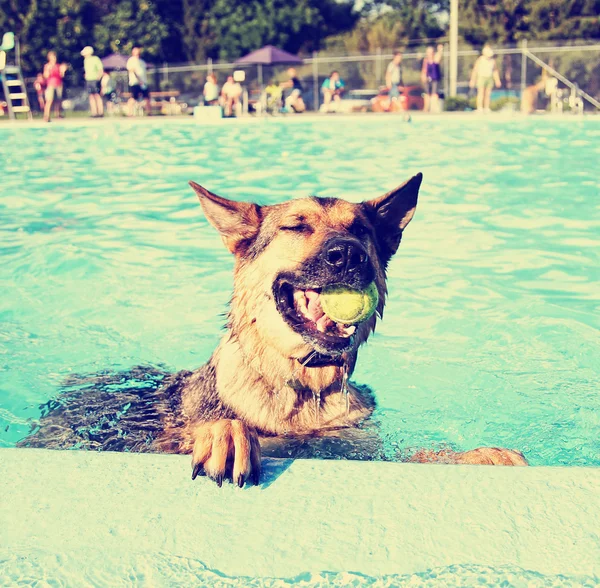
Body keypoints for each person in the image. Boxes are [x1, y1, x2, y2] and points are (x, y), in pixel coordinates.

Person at [469, 44, 501, 112]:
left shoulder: (492, 61)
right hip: (481, 77)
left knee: (488, 94)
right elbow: (475, 70)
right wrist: (472, 80)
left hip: (489, 78)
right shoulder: (480, 59)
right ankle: (479, 108)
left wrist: (497, 80)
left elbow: (495, 71)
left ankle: (486, 108)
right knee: (481, 93)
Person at [43, 51, 67, 122]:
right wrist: (48, 71)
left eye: (54, 57)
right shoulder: (47, 66)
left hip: (58, 84)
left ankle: (57, 114)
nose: (54, 58)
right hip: (51, 84)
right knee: (49, 100)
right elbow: (46, 76)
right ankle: (46, 115)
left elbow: (61, 75)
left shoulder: (58, 66)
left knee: (58, 100)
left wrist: (63, 71)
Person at [81, 46, 104, 118]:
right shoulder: (85, 60)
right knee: (91, 96)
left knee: (97, 95)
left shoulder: (95, 59)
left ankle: (100, 112)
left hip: (95, 79)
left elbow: (100, 69)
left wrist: (98, 78)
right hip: (88, 80)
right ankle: (94, 113)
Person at [126, 47, 150, 116]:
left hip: (143, 83)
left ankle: (148, 112)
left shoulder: (142, 61)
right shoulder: (131, 60)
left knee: (147, 97)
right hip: (135, 83)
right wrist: (139, 80)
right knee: (133, 98)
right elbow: (132, 70)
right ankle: (129, 113)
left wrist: (143, 81)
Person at [421, 44, 443, 113]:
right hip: (428, 79)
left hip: (435, 79)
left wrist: (440, 50)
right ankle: (426, 108)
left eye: (430, 52)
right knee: (427, 94)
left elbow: (439, 57)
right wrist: (423, 76)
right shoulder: (426, 60)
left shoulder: (435, 59)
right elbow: (424, 69)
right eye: (428, 52)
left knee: (434, 94)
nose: (429, 54)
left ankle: (434, 108)